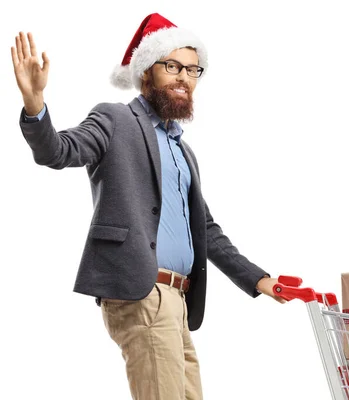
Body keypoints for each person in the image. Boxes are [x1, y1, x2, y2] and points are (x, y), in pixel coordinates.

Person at [11, 12, 286, 400]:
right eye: (172, 65)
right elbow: (59, 152)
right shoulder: (116, 119)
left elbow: (205, 229)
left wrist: (259, 280)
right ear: (146, 71)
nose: (183, 77)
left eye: (193, 70)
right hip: (143, 292)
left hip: (179, 301)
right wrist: (35, 104)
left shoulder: (182, 150)